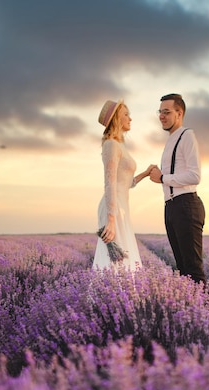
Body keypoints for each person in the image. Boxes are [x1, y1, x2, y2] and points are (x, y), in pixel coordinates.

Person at [149, 93, 206, 283]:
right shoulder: (170, 140)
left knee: (192, 270)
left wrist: (163, 177)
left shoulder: (187, 135)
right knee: (182, 271)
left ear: (179, 113)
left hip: (186, 205)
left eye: (166, 112)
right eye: (160, 112)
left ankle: (207, 312)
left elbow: (195, 175)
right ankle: (192, 311)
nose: (161, 116)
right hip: (172, 207)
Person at [93, 99, 154, 271]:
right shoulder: (111, 145)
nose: (130, 119)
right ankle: (110, 294)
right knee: (115, 261)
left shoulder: (119, 145)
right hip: (113, 208)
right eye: (126, 114)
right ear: (116, 119)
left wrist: (145, 173)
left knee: (123, 257)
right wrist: (111, 219)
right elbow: (109, 182)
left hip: (121, 207)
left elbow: (126, 183)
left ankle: (122, 295)